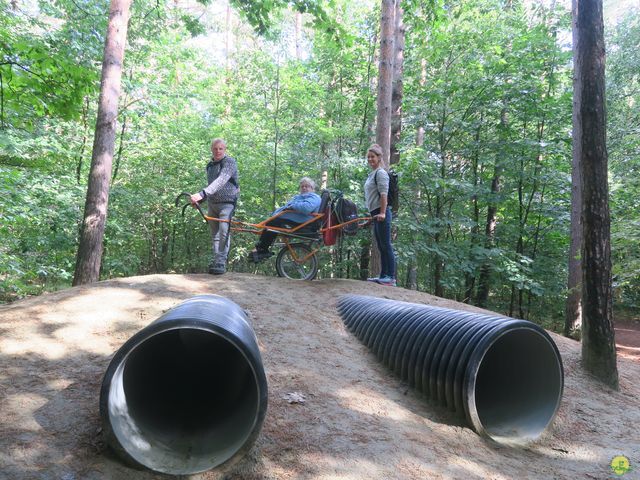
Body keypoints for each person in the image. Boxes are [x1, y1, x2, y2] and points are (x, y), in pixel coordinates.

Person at [190, 138, 239, 275]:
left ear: (225, 149)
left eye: (220, 148)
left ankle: (221, 262)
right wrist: (201, 200)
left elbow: (221, 180)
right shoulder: (210, 166)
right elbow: (211, 185)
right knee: (215, 235)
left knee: (224, 232)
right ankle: (217, 260)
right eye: (215, 148)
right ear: (212, 149)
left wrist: (201, 193)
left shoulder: (230, 162)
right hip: (212, 204)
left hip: (227, 204)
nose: (218, 151)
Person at [249, 177, 321, 262]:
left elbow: (307, 208)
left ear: (312, 189)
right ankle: (261, 248)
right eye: (302, 186)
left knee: (273, 223)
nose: (304, 188)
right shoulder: (299, 197)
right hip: (296, 219)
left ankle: (262, 249)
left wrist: (292, 206)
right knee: (271, 223)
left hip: (304, 222)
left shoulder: (314, 197)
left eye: (307, 186)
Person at [364, 144, 397, 286]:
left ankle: (391, 277)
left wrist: (383, 212)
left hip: (382, 212)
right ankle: (383, 275)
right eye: (368, 157)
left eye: (373, 156)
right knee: (381, 245)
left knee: (386, 244)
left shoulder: (381, 173)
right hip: (375, 213)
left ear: (379, 158)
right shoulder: (372, 174)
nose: (370, 159)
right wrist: (369, 220)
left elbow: (384, 195)